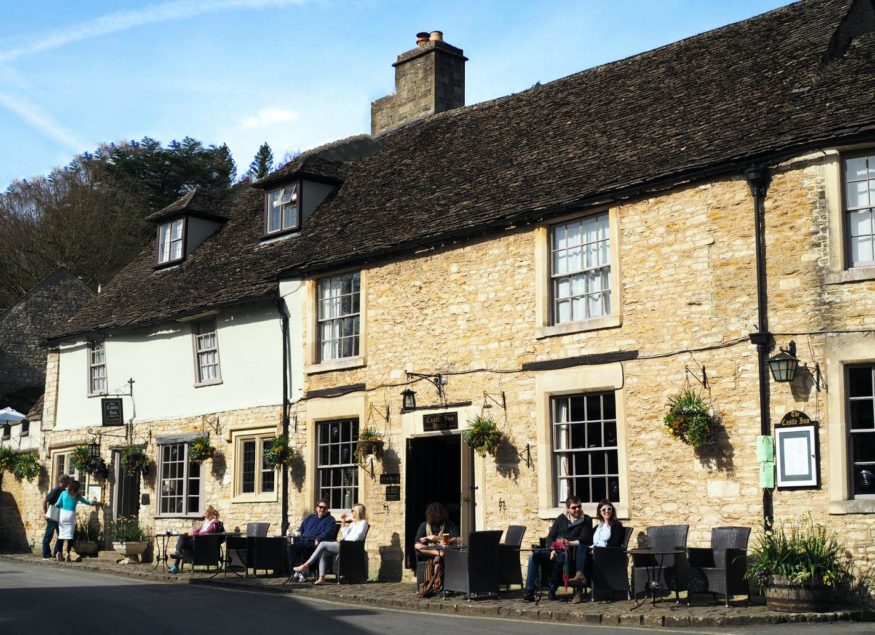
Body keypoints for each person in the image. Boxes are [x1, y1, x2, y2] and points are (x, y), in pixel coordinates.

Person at [522, 496, 593, 602]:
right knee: (534, 555)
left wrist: (568, 543)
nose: (577, 509)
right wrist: (552, 550)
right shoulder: (561, 518)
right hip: (555, 549)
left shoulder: (586, 519)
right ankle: (529, 591)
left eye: (579, 506)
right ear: (568, 509)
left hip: (569, 552)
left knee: (562, 556)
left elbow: (584, 539)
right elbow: (550, 536)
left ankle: (552, 589)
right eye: (574, 508)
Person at [293, 503, 368, 584]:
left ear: (358, 512)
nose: (352, 512)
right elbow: (345, 534)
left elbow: (358, 537)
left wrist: (344, 541)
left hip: (351, 546)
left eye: (353, 511)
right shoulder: (353, 524)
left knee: (323, 544)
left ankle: (306, 565)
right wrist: (343, 521)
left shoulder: (363, 523)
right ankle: (321, 578)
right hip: (345, 545)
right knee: (323, 552)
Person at [568, 498, 624, 604]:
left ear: (612, 510)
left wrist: (598, 551)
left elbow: (615, 543)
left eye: (609, 509)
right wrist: (570, 543)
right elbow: (587, 540)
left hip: (606, 554)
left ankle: (578, 590)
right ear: (600, 512)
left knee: (582, 557)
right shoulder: (598, 527)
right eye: (604, 510)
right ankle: (579, 576)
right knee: (579, 550)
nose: (607, 511)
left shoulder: (617, 525)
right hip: (593, 553)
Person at [414, 502, 458, 597]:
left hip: (442, 550)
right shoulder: (424, 525)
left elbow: (455, 537)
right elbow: (418, 541)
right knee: (417, 546)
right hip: (428, 551)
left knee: (437, 559)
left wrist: (445, 541)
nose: (438, 517)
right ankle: (438, 553)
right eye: (435, 514)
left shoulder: (448, 524)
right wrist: (428, 538)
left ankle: (436, 585)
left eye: (439, 514)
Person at [168, 505, 222, 573]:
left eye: (205, 513)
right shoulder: (206, 522)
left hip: (202, 542)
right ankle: (177, 556)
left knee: (183, 543)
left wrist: (194, 534)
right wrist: (190, 533)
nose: (204, 514)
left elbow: (207, 533)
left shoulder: (214, 523)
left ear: (210, 513)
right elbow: (199, 530)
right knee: (182, 537)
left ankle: (176, 564)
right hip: (197, 540)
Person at [53, 480, 97, 562]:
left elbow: (57, 504)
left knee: (61, 535)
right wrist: (93, 502)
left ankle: (59, 552)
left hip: (63, 515)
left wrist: (53, 511)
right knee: (70, 535)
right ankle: (67, 554)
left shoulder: (63, 493)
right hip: (71, 515)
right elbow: (86, 502)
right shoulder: (77, 496)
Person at [288, 499, 337, 568]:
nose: (322, 509)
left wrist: (319, 538)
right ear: (316, 508)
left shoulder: (330, 519)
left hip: (315, 542)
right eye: (320, 507)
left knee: (302, 547)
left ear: (327, 509)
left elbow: (329, 532)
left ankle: (302, 572)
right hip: (303, 540)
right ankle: (292, 570)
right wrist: (296, 535)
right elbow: (301, 528)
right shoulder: (311, 517)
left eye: (324, 508)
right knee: (291, 547)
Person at [42, 474, 70, 560]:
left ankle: (57, 553)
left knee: (61, 534)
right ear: (63, 482)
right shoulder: (56, 490)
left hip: (60, 513)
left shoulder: (64, 490)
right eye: (67, 482)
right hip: (53, 512)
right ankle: (46, 554)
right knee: (49, 534)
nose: (68, 484)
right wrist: (46, 513)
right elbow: (44, 500)